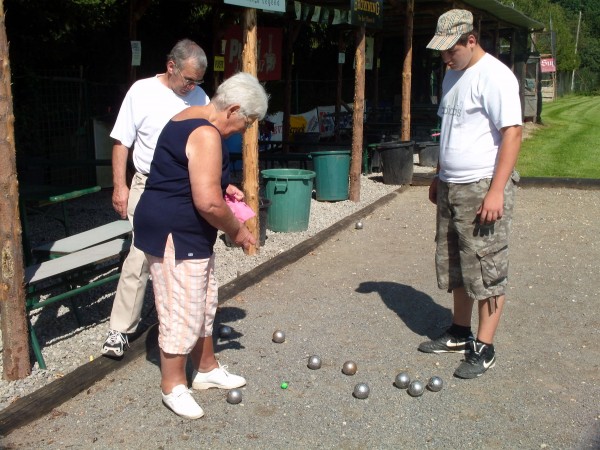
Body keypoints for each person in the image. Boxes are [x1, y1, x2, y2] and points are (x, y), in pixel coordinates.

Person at [133, 72, 269, 419]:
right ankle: (173, 385)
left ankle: (206, 369)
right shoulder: (207, 134)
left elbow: (190, 177)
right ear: (233, 109)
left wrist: (225, 190)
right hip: (174, 232)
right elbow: (207, 203)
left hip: (183, 229)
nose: (245, 129)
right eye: (247, 121)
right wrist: (237, 231)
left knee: (203, 300)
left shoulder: (190, 116)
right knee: (181, 308)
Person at [418, 9, 522, 379]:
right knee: (456, 263)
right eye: (442, 51)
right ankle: (460, 333)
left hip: (482, 187)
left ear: (471, 40)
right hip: (451, 185)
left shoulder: (495, 76)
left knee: (487, 267)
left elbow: (512, 133)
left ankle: (485, 346)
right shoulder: (451, 75)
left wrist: (496, 191)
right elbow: (453, 129)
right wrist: (438, 175)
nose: (445, 57)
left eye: (451, 50)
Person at [102, 39, 212, 358]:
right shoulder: (141, 91)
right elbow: (122, 142)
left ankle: (181, 325)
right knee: (140, 255)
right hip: (148, 184)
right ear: (171, 67)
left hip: (185, 186)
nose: (192, 86)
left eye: (198, 81)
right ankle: (120, 329)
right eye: (189, 79)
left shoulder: (199, 97)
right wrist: (119, 186)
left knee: (186, 257)